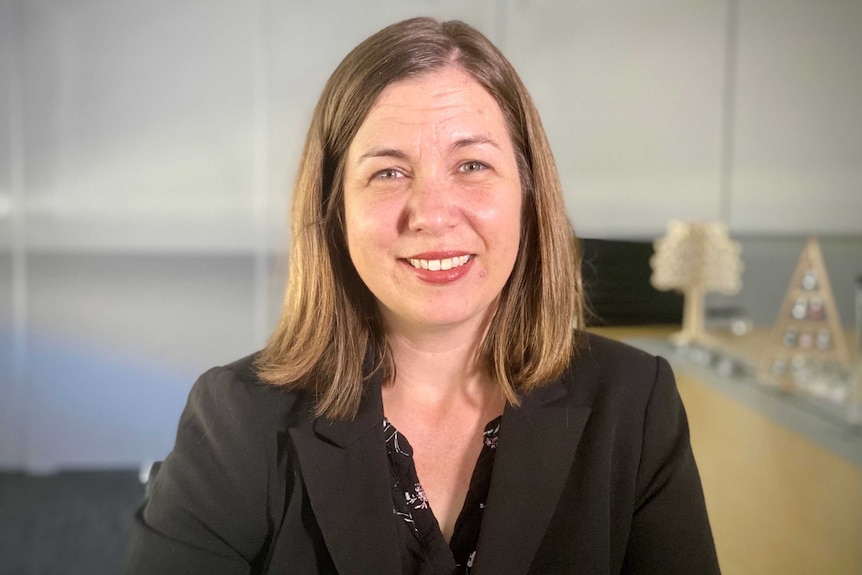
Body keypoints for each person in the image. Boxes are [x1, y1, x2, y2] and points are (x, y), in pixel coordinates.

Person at [123, 17, 720, 575]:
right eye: (388, 173)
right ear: (335, 211)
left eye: (472, 165)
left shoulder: (636, 406)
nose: (432, 215)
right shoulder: (237, 419)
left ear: (528, 196)